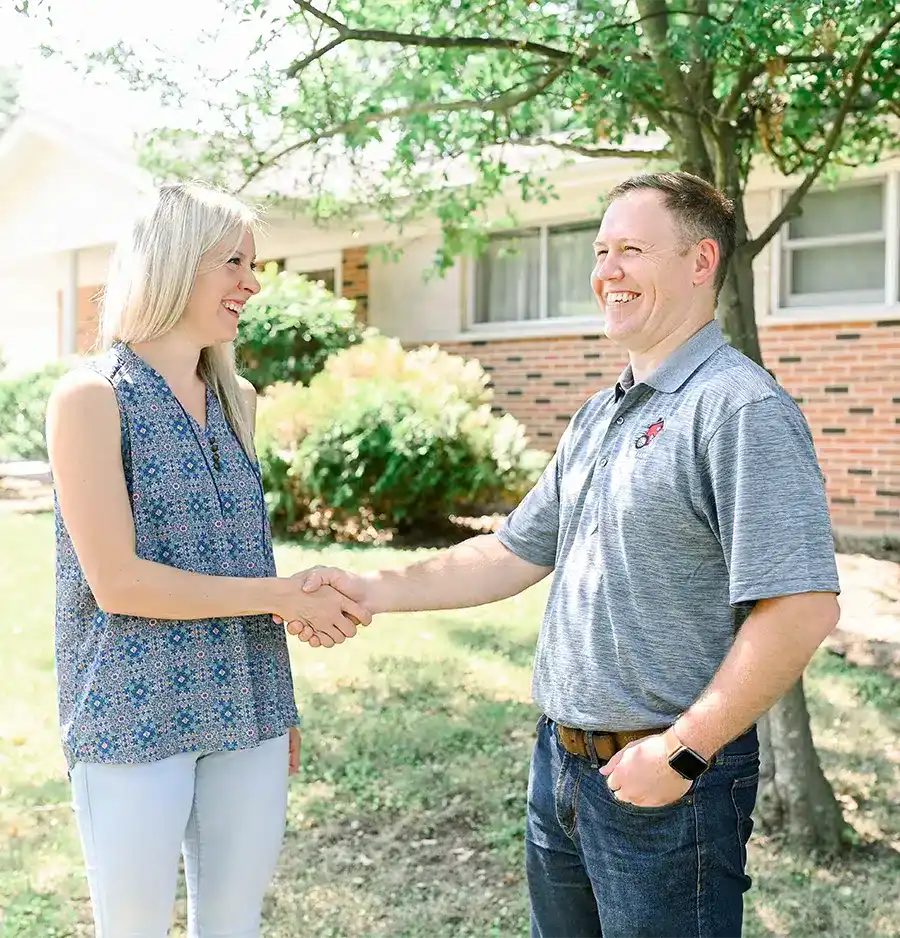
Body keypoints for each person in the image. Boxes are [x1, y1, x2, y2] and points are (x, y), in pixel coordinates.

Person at [288, 172, 841, 937]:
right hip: (562, 771)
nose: (606, 271)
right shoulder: (601, 413)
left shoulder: (738, 409)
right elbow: (514, 551)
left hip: (668, 785)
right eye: (602, 249)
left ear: (700, 261)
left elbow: (802, 607)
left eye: (632, 250)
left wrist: (682, 753)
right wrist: (370, 587)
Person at [46, 182, 369, 938]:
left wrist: (275, 698)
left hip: (246, 708)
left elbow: (247, 554)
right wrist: (282, 597)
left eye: (252, 265)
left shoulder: (237, 399)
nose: (252, 283)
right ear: (174, 263)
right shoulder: (90, 397)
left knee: (233, 926)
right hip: (132, 714)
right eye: (234, 262)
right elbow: (119, 583)